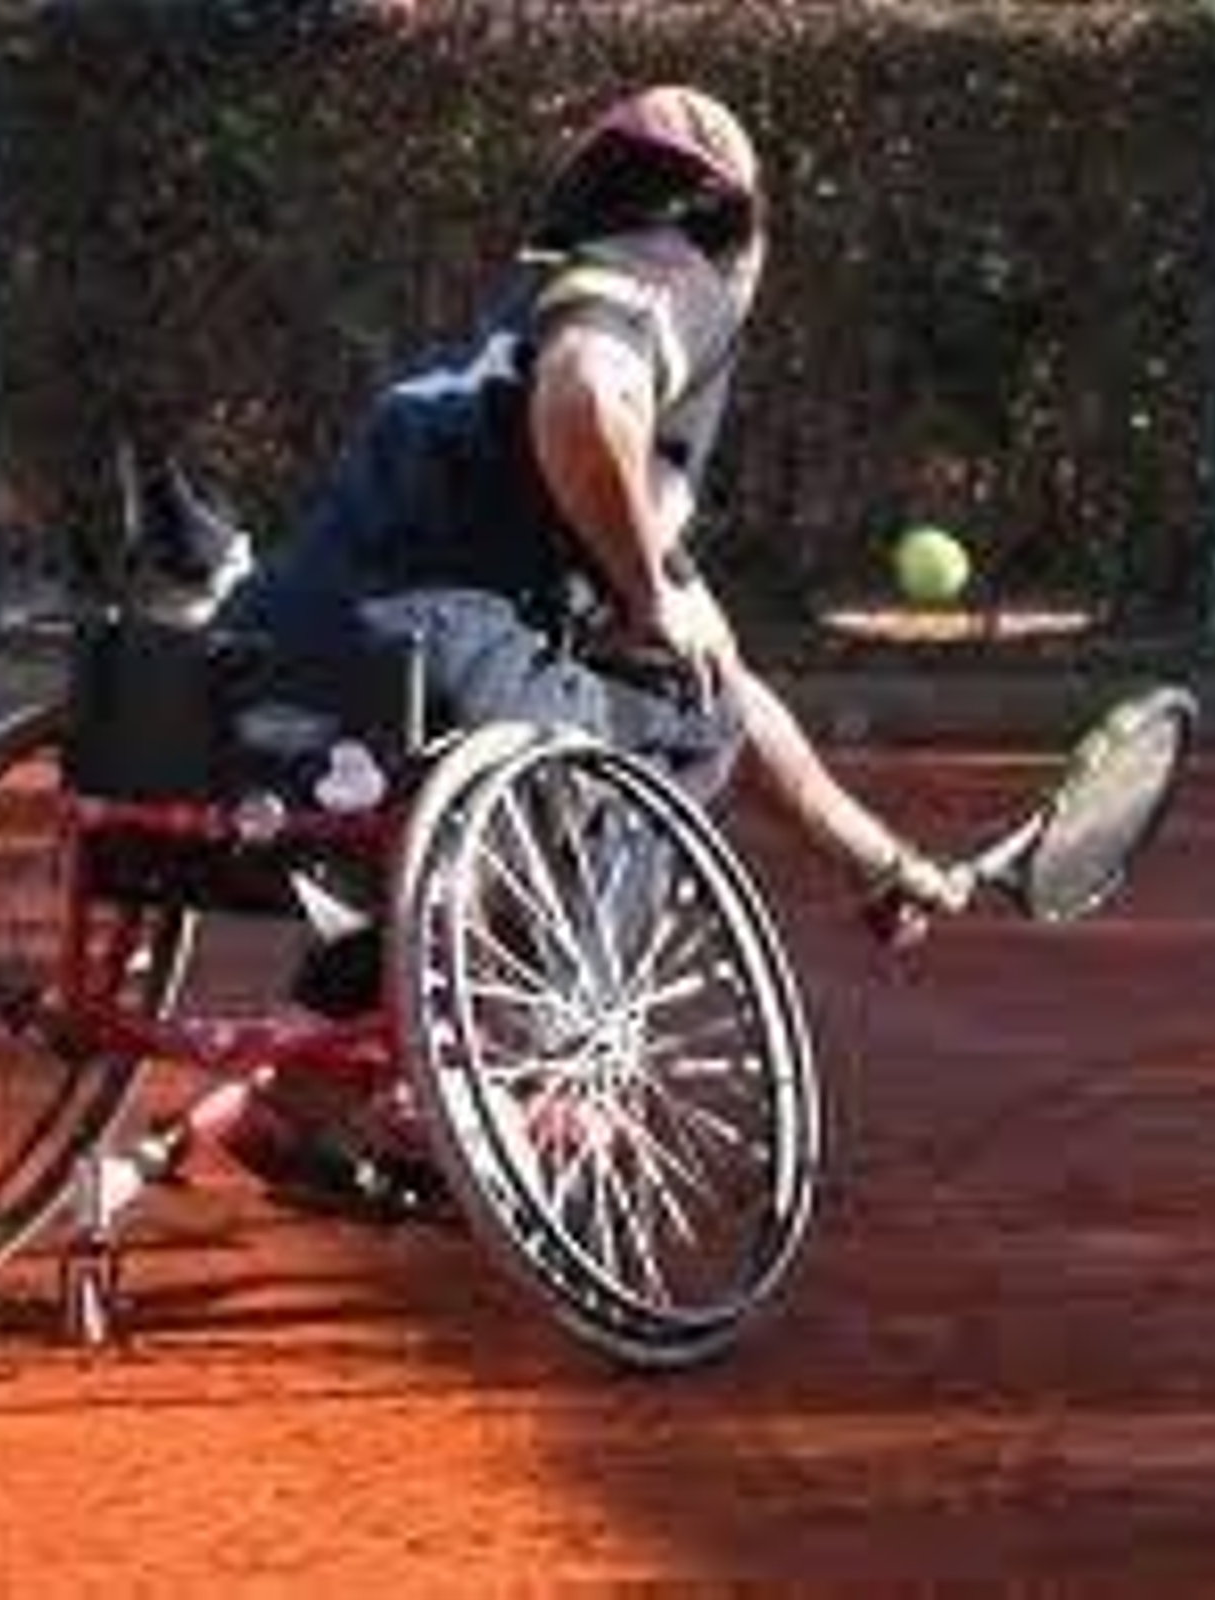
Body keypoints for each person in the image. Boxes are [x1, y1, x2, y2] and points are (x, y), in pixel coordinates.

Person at [140, 85, 969, 1213]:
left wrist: (873, 855)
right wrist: (651, 587)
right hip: (430, 676)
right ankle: (539, 1052)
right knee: (652, 728)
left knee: (542, 743)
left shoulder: (494, 362)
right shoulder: (671, 272)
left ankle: (305, 1074)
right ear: (743, 230)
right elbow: (589, 394)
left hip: (250, 686)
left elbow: (712, 655)